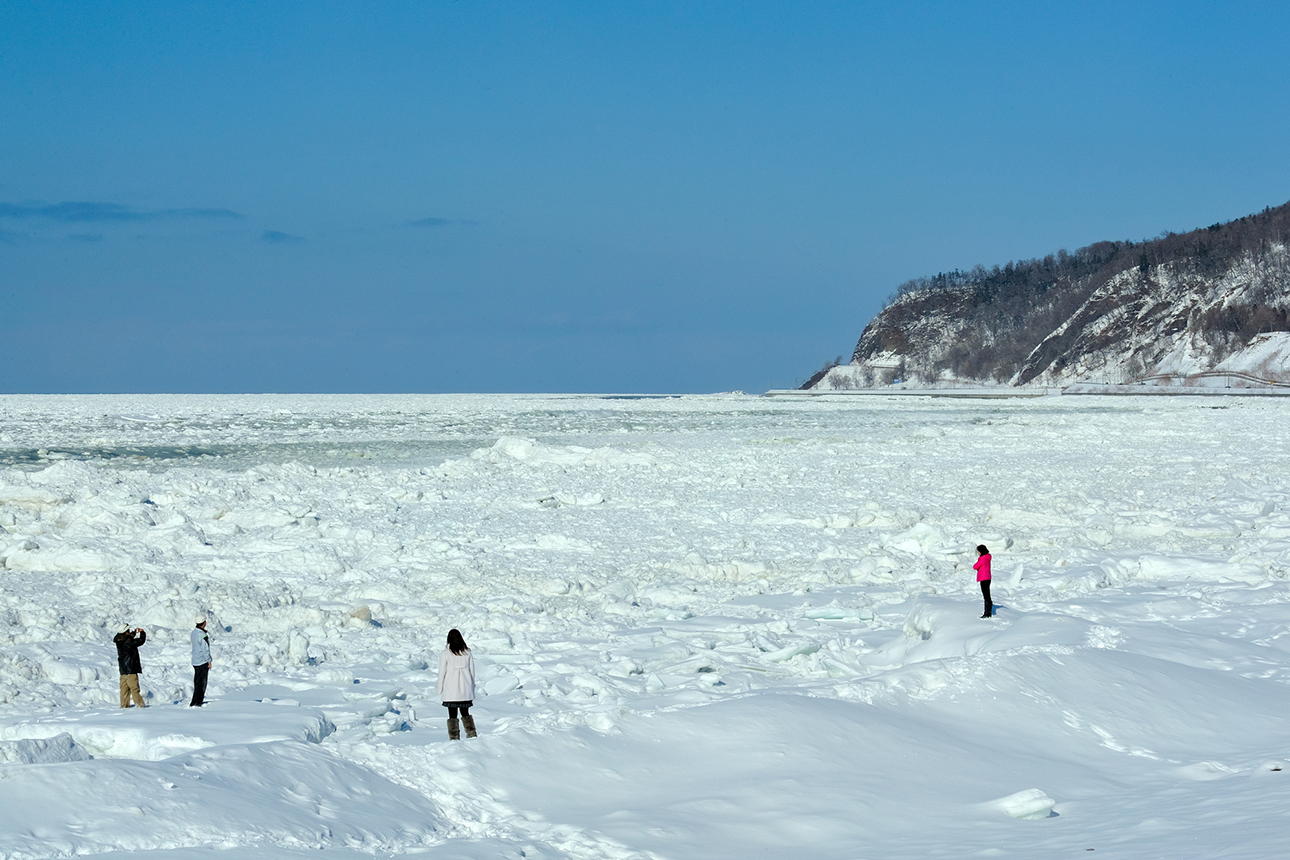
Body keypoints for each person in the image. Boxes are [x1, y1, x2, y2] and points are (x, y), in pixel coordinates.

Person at [437, 628, 476, 740]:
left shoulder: (446, 653)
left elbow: (442, 672)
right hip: (465, 689)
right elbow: (472, 672)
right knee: (465, 713)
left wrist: (439, 688)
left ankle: (454, 738)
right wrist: (472, 687)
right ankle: (472, 735)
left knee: (452, 715)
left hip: (451, 690)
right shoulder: (467, 653)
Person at [113, 626, 147, 708]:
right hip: (131, 669)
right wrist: (142, 633)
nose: (129, 631)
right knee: (134, 689)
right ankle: (140, 705)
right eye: (128, 630)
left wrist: (134, 633)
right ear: (125, 631)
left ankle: (124, 706)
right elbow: (140, 641)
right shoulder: (128, 641)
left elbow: (127, 638)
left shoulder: (119, 640)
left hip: (123, 670)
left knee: (124, 690)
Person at [190, 616, 212, 707]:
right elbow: (205, 649)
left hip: (195, 660)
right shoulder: (202, 635)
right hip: (202, 661)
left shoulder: (193, 632)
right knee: (201, 683)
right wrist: (209, 661)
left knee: (197, 682)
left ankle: (195, 700)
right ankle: (196, 702)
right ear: (204, 623)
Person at [974, 544, 993, 618]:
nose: (978, 553)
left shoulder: (982, 558)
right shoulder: (987, 557)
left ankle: (987, 613)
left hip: (983, 578)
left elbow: (975, 566)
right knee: (987, 595)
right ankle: (988, 610)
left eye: (978, 551)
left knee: (986, 596)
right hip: (988, 578)